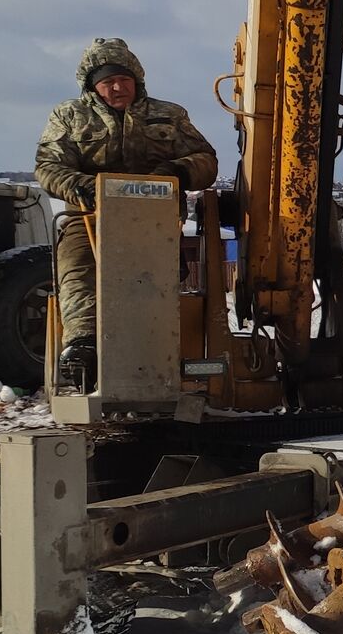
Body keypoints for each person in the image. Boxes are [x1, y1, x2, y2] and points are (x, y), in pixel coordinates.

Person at [34, 38, 218, 390]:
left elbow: (206, 160)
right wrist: (88, 189)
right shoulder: (69, 116)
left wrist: (175, 172)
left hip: (155, 222)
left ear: (137, 80)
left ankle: (155, 361)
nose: (118, 87)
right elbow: (48, 166)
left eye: (124, 79)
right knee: (77, 272)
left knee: (154, 286)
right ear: (92, 86)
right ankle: (82, 346)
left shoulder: (170, 115)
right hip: (87, 218)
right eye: (108, 82)